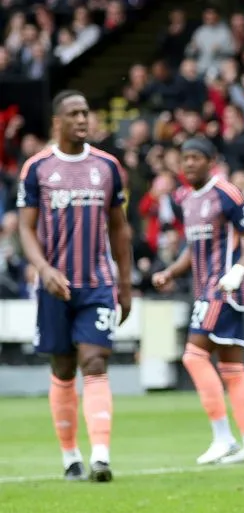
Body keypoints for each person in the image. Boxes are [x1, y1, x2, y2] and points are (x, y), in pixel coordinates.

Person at [16, 90, 133, 482]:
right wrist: (43, 268)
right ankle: (71, 457)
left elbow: (119, 229)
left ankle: (101, 455)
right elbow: (26, 229)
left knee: (95, 361)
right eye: (75, 113)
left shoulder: (108, 166)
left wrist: (126, 284)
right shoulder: (37, 168)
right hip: (55, 286)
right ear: (58, 122)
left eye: (87, 112)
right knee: (63, 368)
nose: (84, 119)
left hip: (98, 284)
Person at [152, 137, 244, 465]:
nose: (188, 164)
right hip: (203, 290)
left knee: (192, 356)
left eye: (195, 158)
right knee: (232, 369)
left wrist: (239, 270)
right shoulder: (185, 198)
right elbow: (194, 247)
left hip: (223, 289)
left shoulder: (226, 192)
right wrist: (171, 272)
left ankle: (223, 437)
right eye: (184, 158)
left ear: (211, 161)